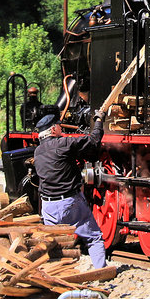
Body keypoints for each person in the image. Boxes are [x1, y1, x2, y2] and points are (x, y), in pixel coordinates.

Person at [33, 108, 108, 268]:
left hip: (48, 206)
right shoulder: (64, 144)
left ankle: (55, 273)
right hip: (69, 202)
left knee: (53, 243)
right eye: (59, 126)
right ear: (53, 129)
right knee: (94, 238)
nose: (61, 128)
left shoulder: (38, 152)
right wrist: (99, 120)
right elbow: (93, 141)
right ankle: (101, 271)